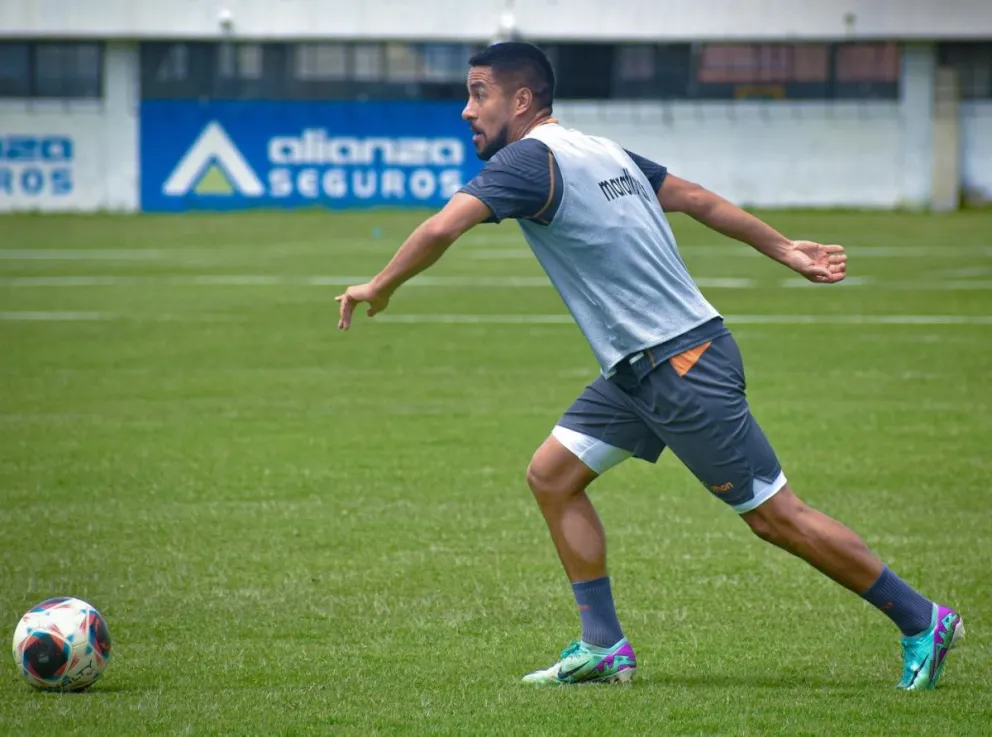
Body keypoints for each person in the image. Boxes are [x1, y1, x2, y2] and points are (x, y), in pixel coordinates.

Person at [335, 41, 963, 689]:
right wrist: (785, 250)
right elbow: (693, 197)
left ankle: (922, 618)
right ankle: (603, 644)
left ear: (521, 101)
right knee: (552, 476)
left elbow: (442, 228)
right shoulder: (599, 149)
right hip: (639, 369)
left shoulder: (527, 160)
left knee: (776, 515)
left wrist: (379, 285)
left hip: (681, 365)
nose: (467, 110)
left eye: (478, 93)